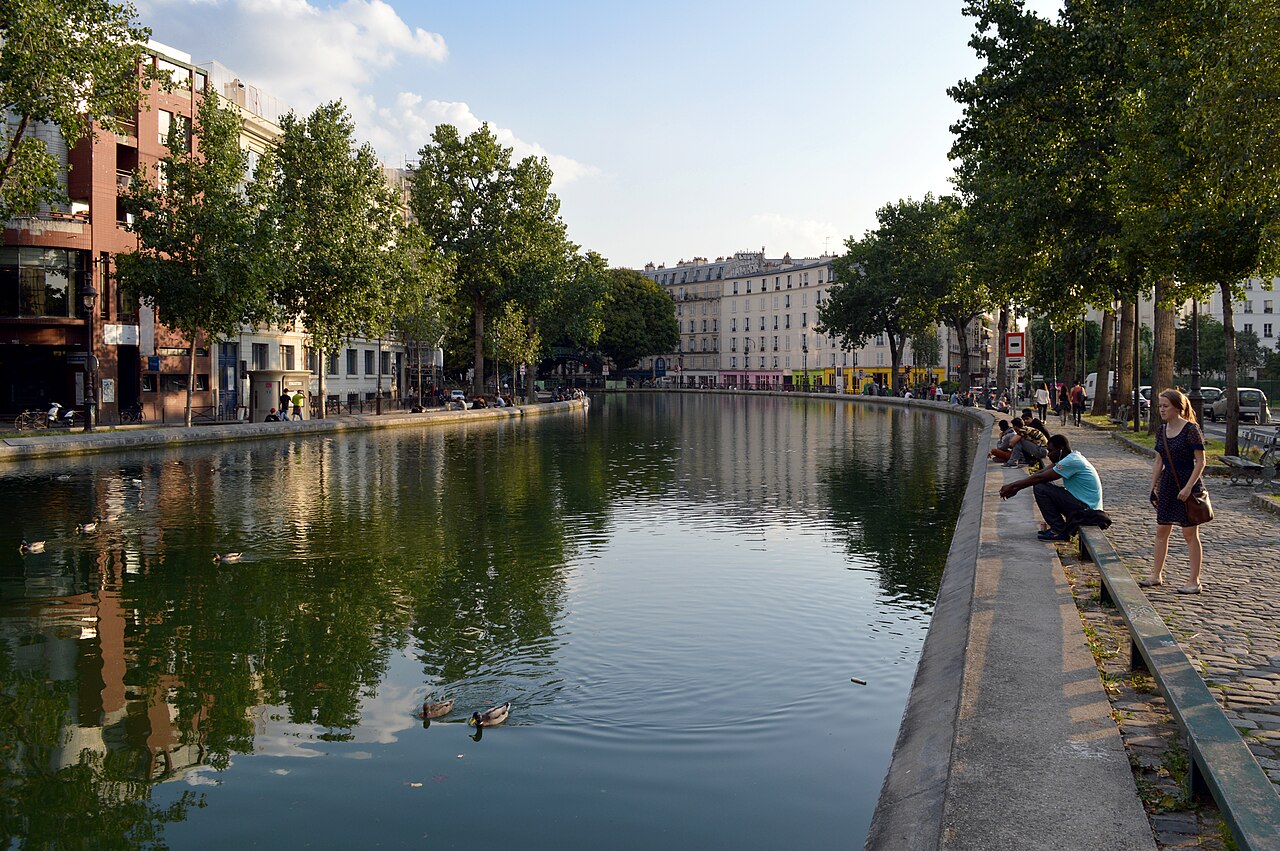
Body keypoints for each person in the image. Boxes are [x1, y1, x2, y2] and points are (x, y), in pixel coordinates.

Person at [1141, 388, 1208, 594]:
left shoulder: (1191, 429)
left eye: (1165, 406)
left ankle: (1194, 580)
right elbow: (1159, 459)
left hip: (1187, 485)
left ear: (1177, 408)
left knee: (1190, 533)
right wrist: (1153, 485)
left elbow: (1201, 461)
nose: (1161, 410)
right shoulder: (1162, 431)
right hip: (1168, 484)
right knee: (1162, 530)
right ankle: (1156, 574)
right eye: (1159, 406)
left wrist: (1189, 487)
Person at [999, 433, 1103, 542]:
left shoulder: (1072, 461)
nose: (1048, 455)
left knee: (1040, 488)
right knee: (1043, 486)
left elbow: (1040, 478)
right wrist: (1015, 487)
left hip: (1087, 509)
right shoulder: (1069, 457)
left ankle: (1059, 530)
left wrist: (1013, 486)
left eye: (1051, 451)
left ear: (1061, 449)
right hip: (1083, 504)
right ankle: (1058, 529)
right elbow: (1041, 473)